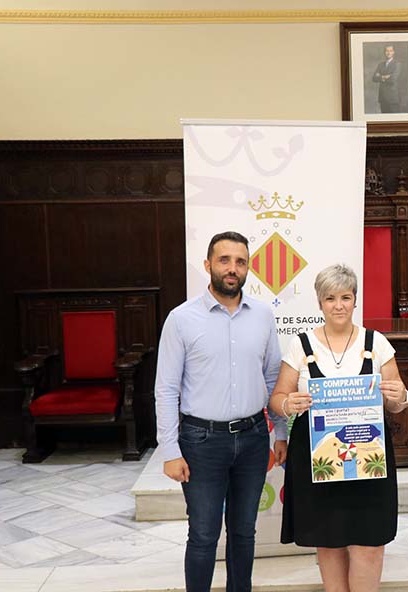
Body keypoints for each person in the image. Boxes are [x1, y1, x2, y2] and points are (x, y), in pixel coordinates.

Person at [155, 231, 287, 592]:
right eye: (225, 260)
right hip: (201, 441)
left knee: (244, 532)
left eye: (240, 262)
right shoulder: (180, 319)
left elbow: (273, 377)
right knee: (203, 534)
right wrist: (170, 451)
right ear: (208, 265)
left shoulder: (262, 315)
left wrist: (280, 432)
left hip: (253, 438)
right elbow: (165, 389)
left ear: (248, 268)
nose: (232, 269)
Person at [269, 263, 408, 592]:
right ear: (319, 302)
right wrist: (289, 405)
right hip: (319, 459)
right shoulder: (301, 345)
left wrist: (398, 396)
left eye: (345, 297)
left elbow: (400, 398)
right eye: (330, 298)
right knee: (328, 542)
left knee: (370, 544)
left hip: (368, 459)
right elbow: (277, 397)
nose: (339, 305)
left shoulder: (376, 343)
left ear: (355, 300)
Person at [371, 45, 401, 113]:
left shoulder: (397, 64)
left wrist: (380, 76)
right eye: (387, 51)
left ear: (393, 52)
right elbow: (374, 78)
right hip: (383, 97)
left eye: (390, 51)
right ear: (384, 52)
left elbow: (392, 79)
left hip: (392, 98)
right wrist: (385, 77)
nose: (388, 53)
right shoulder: (380, 64)